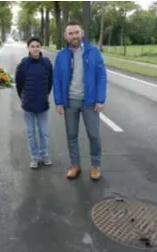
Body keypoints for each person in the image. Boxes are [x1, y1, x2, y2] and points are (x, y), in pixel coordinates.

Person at [53, 21, 107, 180]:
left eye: (76, 32)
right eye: (70, 33)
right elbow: (56, 80)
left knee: (94, 135)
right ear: (65, 36)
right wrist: (58, 101)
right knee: (71, 135)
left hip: (89, 102)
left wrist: (100, 99)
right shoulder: (61, 55)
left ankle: (95, 165)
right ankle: (75, 165)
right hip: (70, 102)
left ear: (82, 34)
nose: (74, 36)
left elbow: (102, 76)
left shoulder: (93, 52)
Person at [15, 37, 53, 169]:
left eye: (37, 46)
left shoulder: (47, 63)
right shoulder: (23, 65)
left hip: (43, 104)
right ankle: (34, 157)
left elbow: (50, 83)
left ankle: (44, 154)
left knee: (43, 132)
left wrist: (44, 95)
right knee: (31, 133)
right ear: (28, 48)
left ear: (40, 47)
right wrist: (24, 98)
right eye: (32, 46)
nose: (35, 48)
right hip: (28, 105)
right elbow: (19, 85)